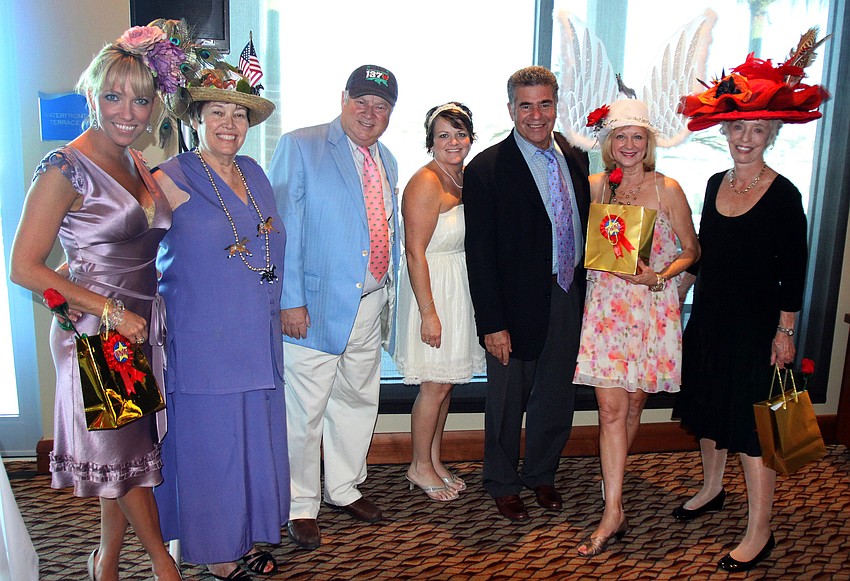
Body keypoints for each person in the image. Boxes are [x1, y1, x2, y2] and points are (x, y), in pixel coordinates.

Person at [9, 25, 182, 581]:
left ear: (155, 105)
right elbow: (22, 266)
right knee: (126, 455)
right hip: (101, 335)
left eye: (140, 100)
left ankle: (105, 563)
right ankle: (163, 566)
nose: (127, 112)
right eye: (113, 96)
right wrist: (103, 308)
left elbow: (103, 249)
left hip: (138, 324)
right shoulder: (65, 167)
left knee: (120, 454)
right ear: (91, 95)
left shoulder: (136, 161)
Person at [673, 50, 826, 573]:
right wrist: (672, 292)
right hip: (710, 320)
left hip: (757, 329)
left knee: (752, 428)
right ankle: (712, 488)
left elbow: (795, 271)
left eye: (757, 130)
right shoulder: (715, 182)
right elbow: (705, 253)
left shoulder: (785, 195)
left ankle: (761, 530)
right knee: (709, 411)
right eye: (738, 127)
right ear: (725, 130)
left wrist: (786, 331)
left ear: (771, 135)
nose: (745, 138)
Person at [151, 65, 288, 581]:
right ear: (196, 119)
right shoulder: (172, 176)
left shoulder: (254, 172)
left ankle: (241, 534)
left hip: (256, 332)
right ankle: (216, 550)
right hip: (203, 336)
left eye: (239, 114)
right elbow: (125, 242)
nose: (229, 124)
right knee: (212, 445)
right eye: (217, 113)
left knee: (252, 440)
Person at [269, 64, 400, 549]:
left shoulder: (387, 159)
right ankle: (300, 504)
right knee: (303, 412)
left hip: (369, 304)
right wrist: (290, 301)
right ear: (343, 99)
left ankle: (344, 487)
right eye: (361, 101)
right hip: (314, 308)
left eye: (381, 106)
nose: (370, 112)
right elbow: (282, 229)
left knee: (357, 400)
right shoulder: (301, 146)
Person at [571, 99, 700, 557]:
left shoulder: (668, 189)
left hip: (649, 307)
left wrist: (660, 277)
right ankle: (613, 510)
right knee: (610, 410)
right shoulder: (596, 186)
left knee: (631, 407)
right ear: (609, 142)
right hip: (605, 309)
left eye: (637, 137)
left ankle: (614, 486)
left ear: (648, 143)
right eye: (621, 136)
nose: (629, 145)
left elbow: (692, 250)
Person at [463, 66, 590, 522]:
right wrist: (492, 323)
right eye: (526, 106)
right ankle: (502, 482)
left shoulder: (575, 157)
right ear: (511, 109)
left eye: (545, 104)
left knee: (556, 393)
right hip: (512, 307)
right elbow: (479, 254)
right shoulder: (486, 169)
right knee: (506, 401)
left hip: (567, 293)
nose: (536, 115)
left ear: (556, 105)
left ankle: (542, 474)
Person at [393, 102, 486, 502]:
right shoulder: (425, 182)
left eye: (460, 134)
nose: (453, 142)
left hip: (457, 286)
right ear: (430, 140)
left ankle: (432, 458)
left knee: (446, 382)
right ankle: (418, 465)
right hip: (432, 288)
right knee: (433, 385)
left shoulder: (463, 177)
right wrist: (428, 313)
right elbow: (414, 252)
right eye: (443, 135)